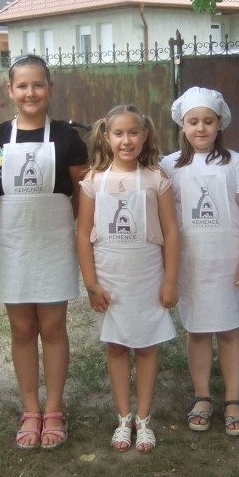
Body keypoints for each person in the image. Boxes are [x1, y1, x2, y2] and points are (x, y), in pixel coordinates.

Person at [0, 55, 88, 451]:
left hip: (53, 243)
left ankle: (55, 408)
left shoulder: (67, 138)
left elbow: (81, 193)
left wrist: (66, 229)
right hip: (12, 245)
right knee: (22, 329)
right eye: (23, 86)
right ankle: (31, 409)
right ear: (10, 90)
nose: (31, 93)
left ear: (50, 89)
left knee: (53, 328)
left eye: (38, 85)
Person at [76, 104, 180, 453]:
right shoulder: (93, 180)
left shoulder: (155, 179)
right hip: (110, 278)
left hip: (147, 276)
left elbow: (171, 231)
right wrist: (91, 284)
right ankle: (124, 417)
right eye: (118, 133)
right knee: (117, 346)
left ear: (145, 135)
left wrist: (170, 281)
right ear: (106, 137)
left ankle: (144, 418)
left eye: (133, 132)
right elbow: (83, 234)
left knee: (147, 347)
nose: (126, 140)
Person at [161, 87, 239, 436]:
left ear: (220, 124)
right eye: (193, 122)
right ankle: (202, 396)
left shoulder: (235, 163)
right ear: (182, 125)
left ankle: (233, 399)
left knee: (230, 330)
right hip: (191, 263)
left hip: (228, 261)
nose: (200, 128)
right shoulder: (169, 165)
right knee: (198, 330)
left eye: (207, 121)